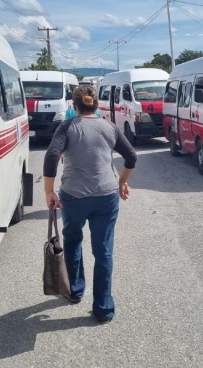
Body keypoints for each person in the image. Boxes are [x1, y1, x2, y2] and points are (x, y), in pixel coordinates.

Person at [43, 86, 137, 324]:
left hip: (73, 196)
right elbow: (131, 157)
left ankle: (75, 291)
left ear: (74, 106)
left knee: (73, 241)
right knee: (103, 251)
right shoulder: (110, 127)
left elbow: (52, 155)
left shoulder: (68, 126)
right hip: (106, 195)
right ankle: (103, 309)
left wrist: (48, 191)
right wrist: (122, 182)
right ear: (96, 104)